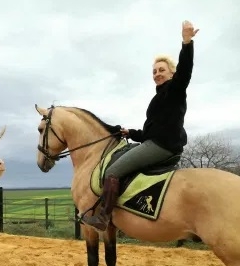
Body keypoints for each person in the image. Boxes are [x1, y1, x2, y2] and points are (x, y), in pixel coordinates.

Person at [82, 20, 199, 231]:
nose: (157, 74)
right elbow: (150, 132)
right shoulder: (159, 97)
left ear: (172, 73)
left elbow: (186, 72)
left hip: (163, 146)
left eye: (161, 70)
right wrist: (131, 132)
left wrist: (187, 42)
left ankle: (103, 218)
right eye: (154, 71)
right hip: (157, 142)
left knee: (113, 171)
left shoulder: (175, 89)